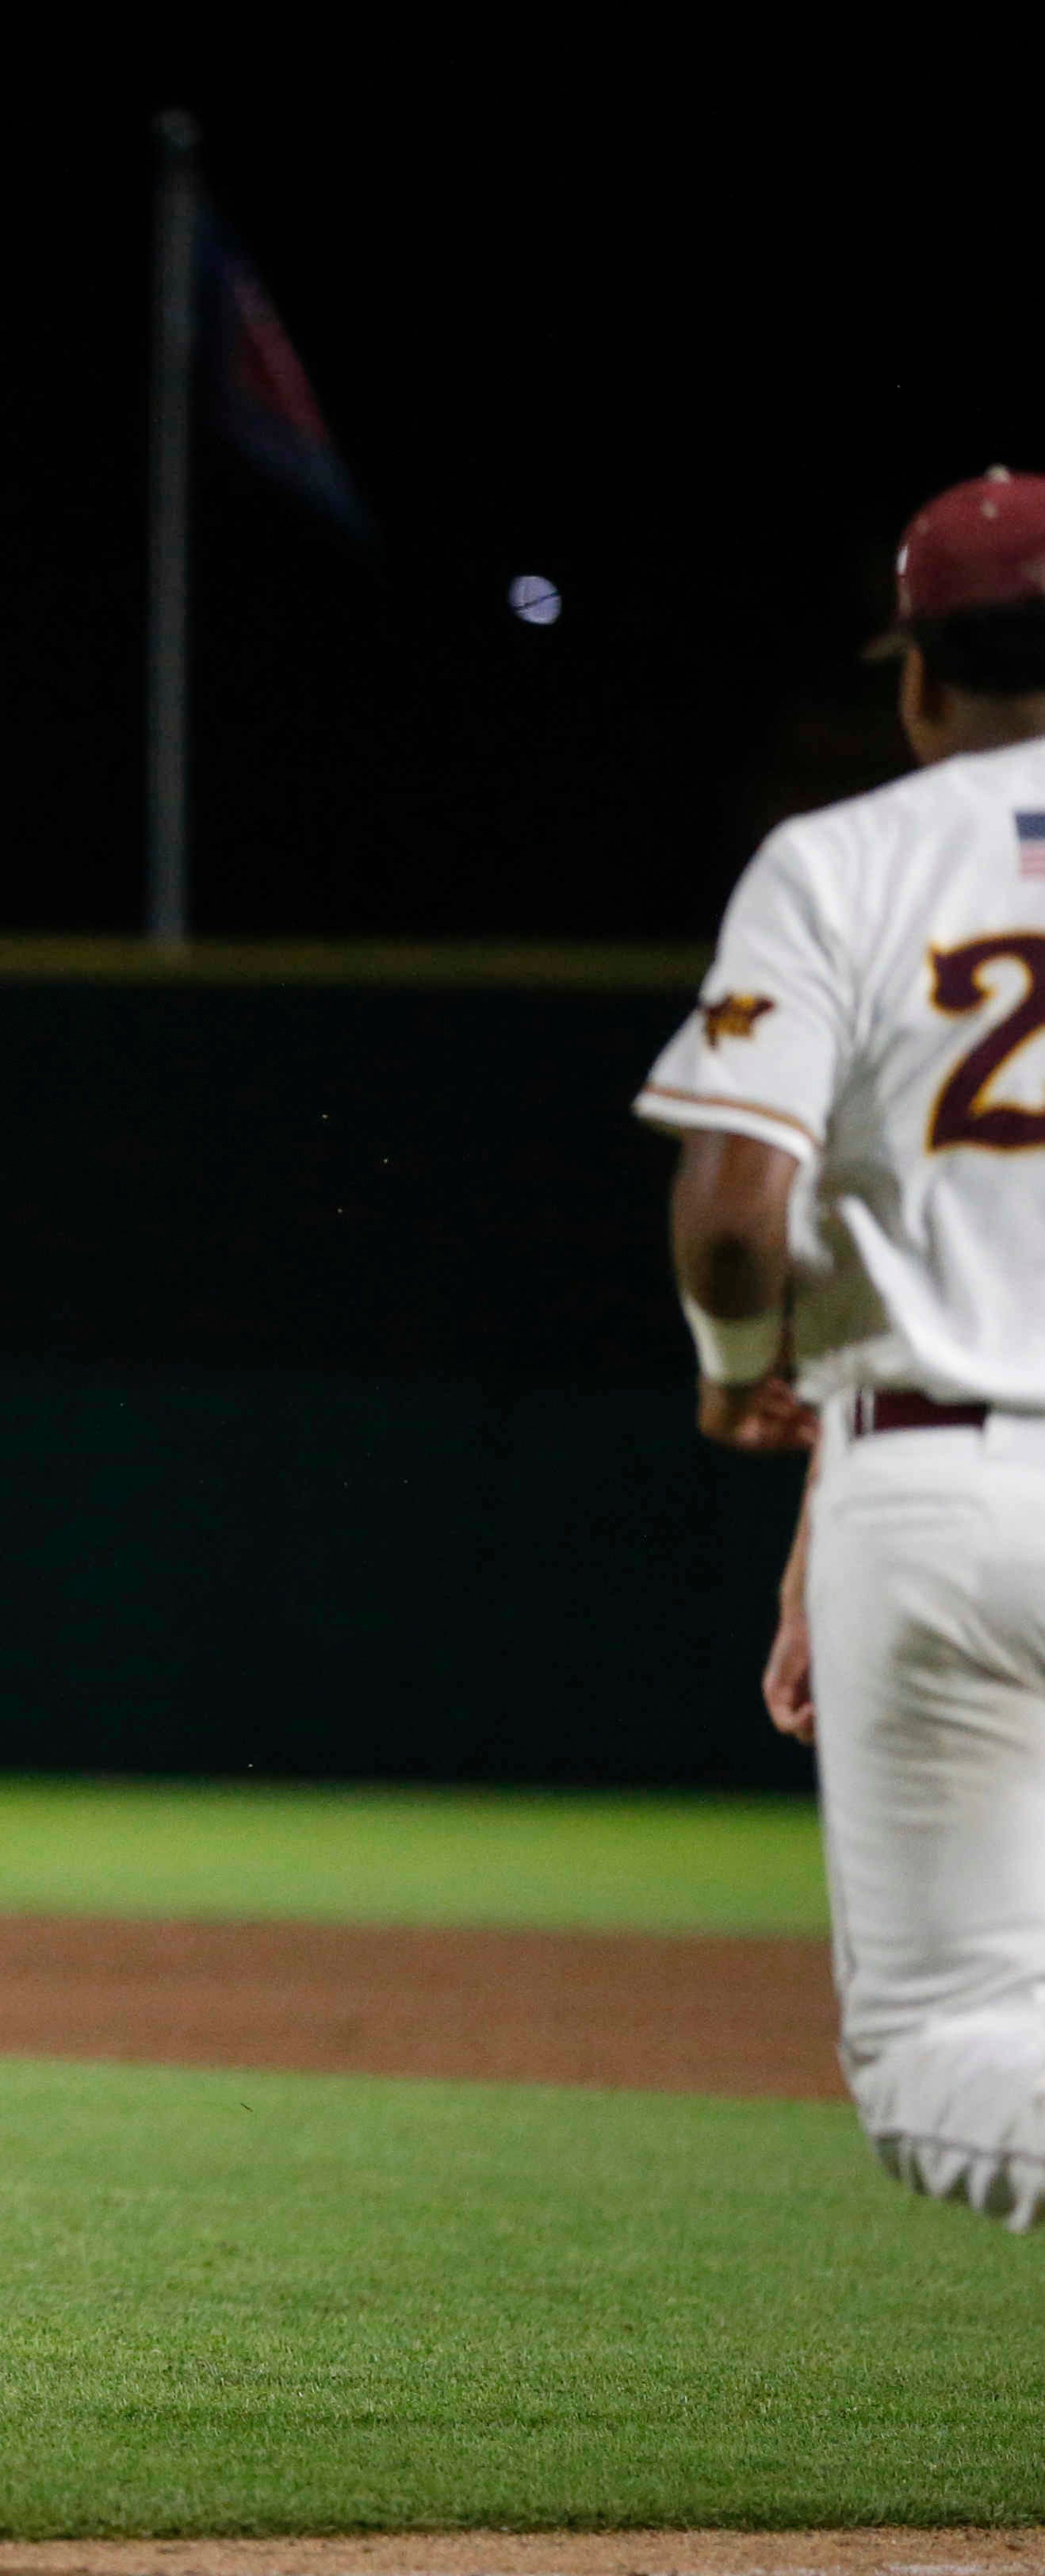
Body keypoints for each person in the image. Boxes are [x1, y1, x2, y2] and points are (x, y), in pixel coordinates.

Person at [644, 465, 1045, 2225]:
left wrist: (750, 1372)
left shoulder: (846, 862)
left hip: (944, 1488)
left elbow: (737, 1212)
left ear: (919, 674)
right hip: (916, 1466)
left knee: (946, 2047)